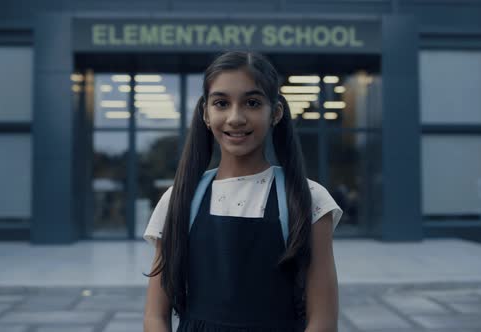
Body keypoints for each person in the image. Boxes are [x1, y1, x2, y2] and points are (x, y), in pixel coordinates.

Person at [142, 51, 343, 332]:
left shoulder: (309, 198)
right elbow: (155, 317)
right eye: (221, 103)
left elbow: (322, 321)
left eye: (251, 102)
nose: (235, 118)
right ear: (206, 114)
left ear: (275, 113)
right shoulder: (178, 199)